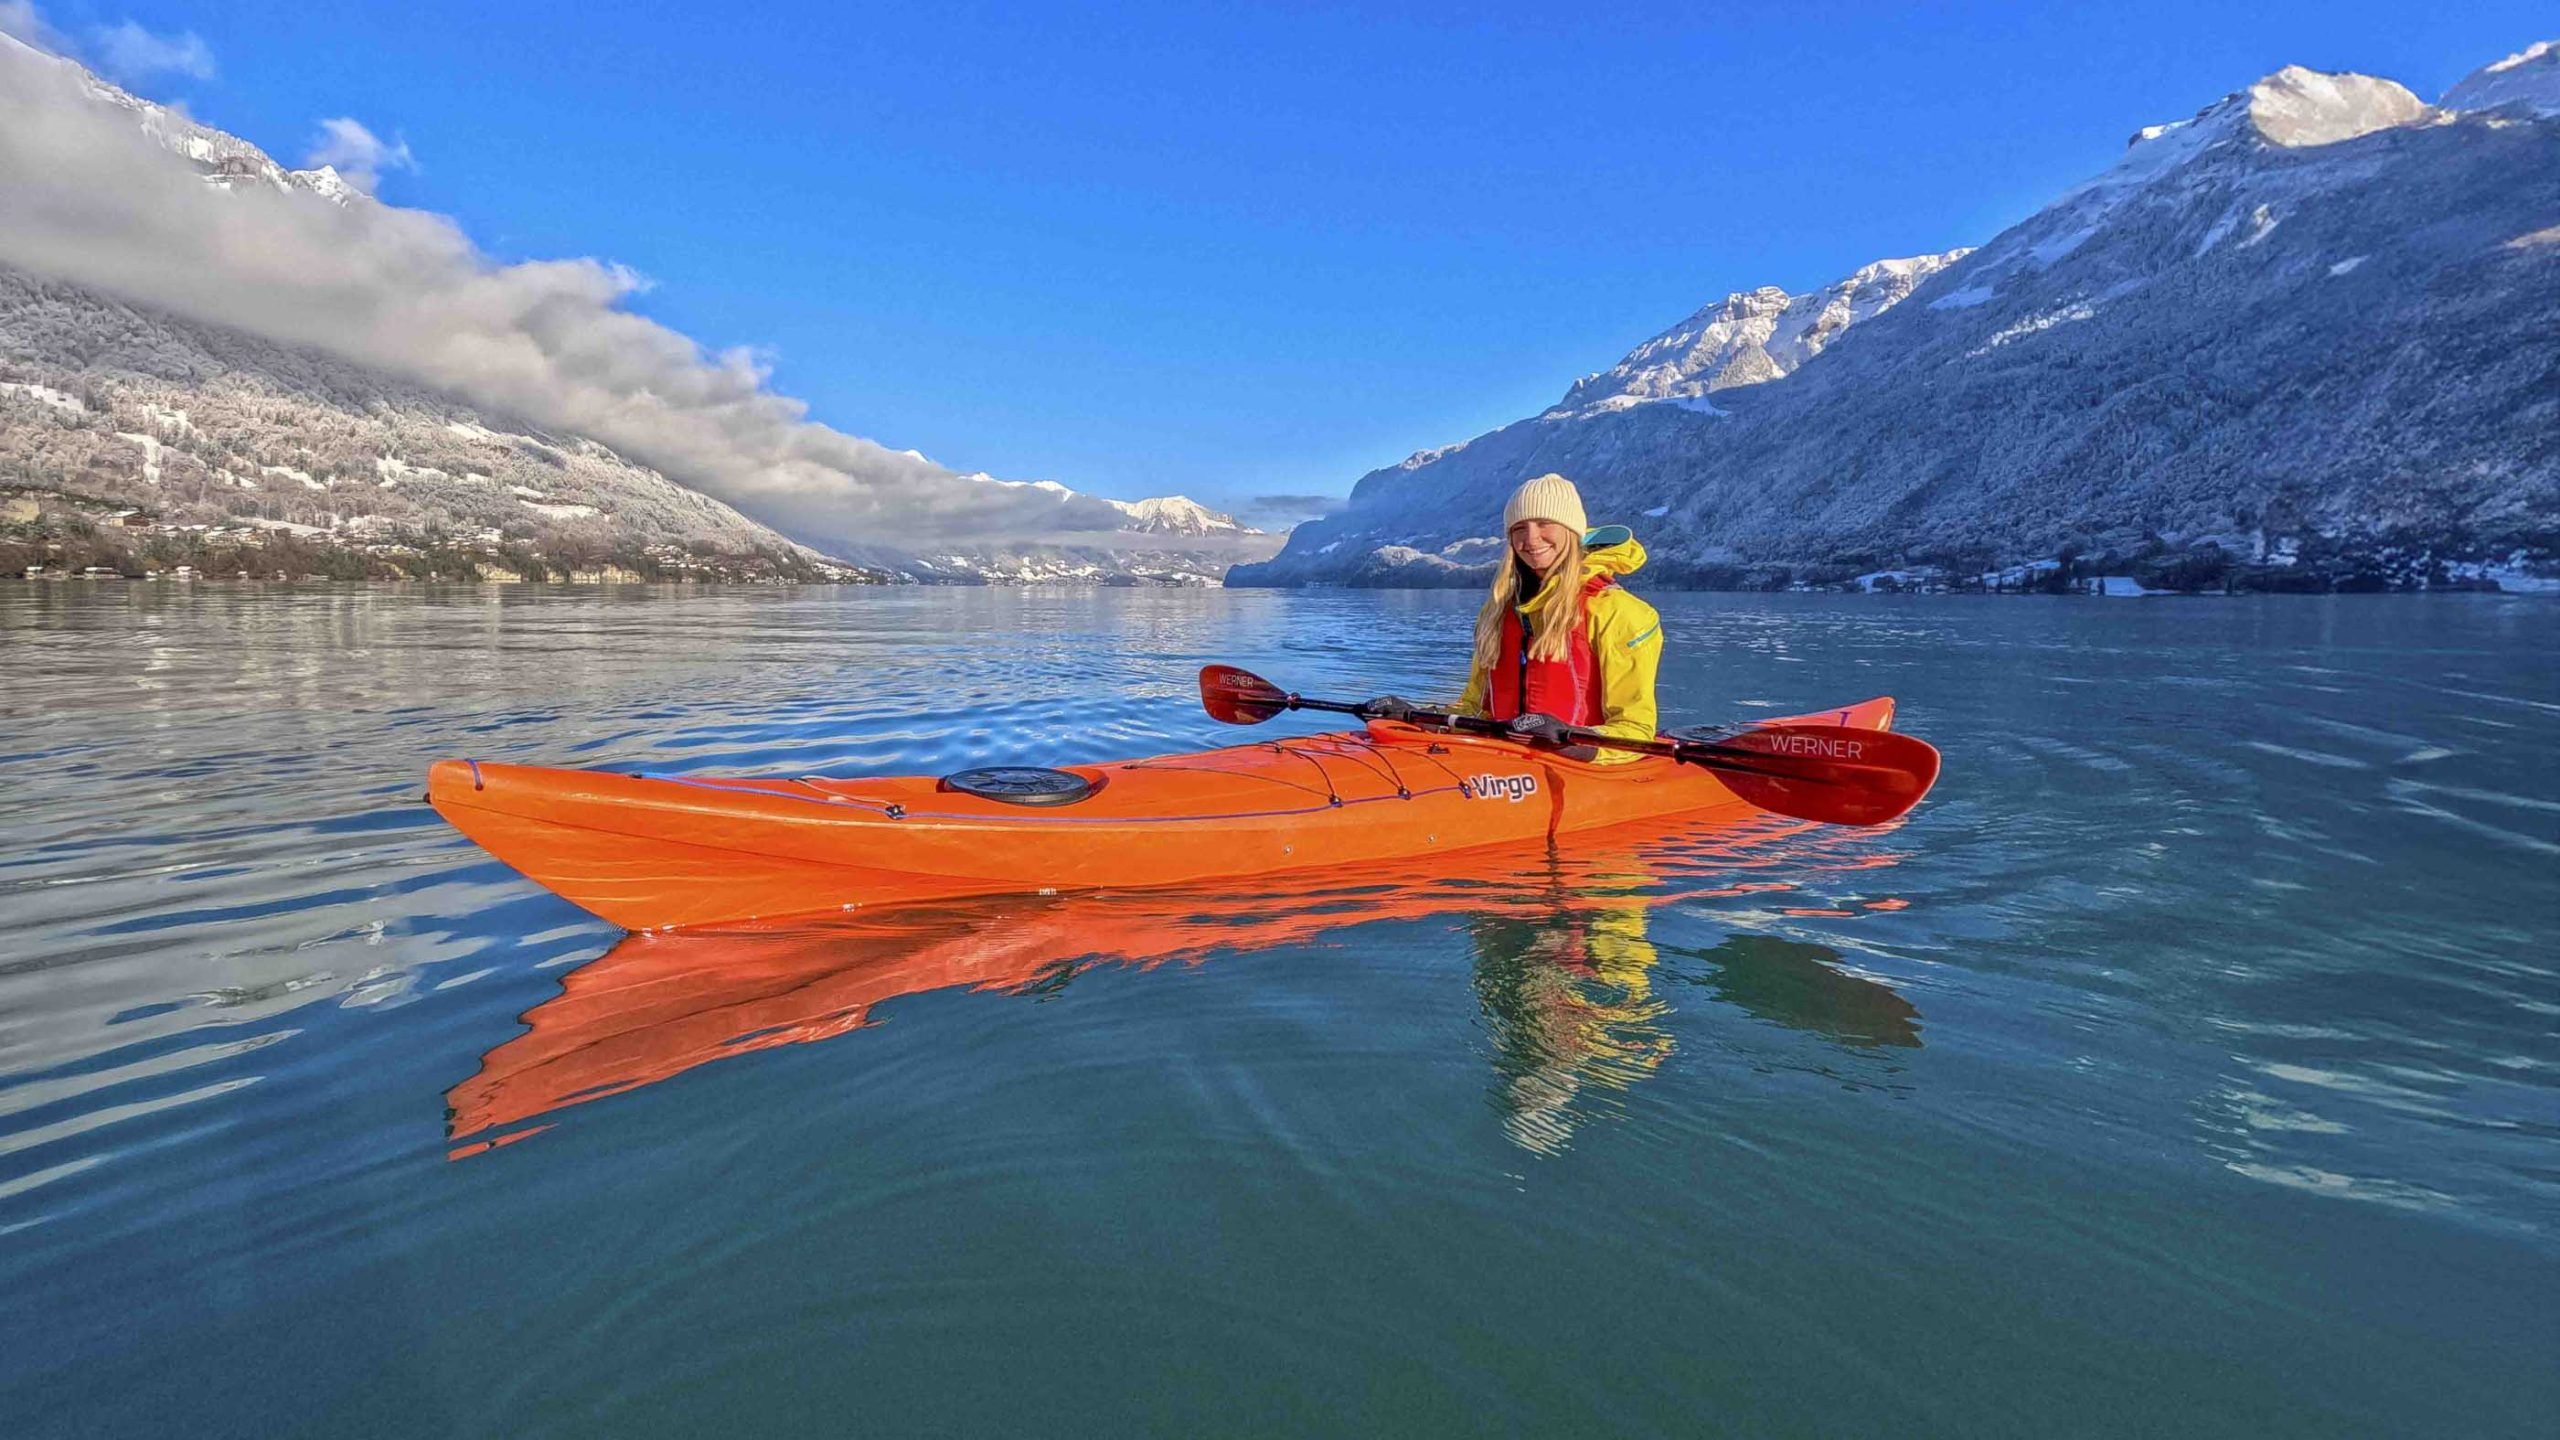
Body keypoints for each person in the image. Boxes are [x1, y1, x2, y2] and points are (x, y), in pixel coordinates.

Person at [1372, 473, 1661, 763]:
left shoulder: (1620, 612)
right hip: (1505, 769)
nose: (1531, 538)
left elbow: (1635, 730)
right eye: (1519, 528)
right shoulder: (1499, 611)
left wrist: (1568, 742)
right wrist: (1415, 716)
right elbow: (1475, 709)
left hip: (1579, 772)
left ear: (1572, 531)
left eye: (1545, 523)